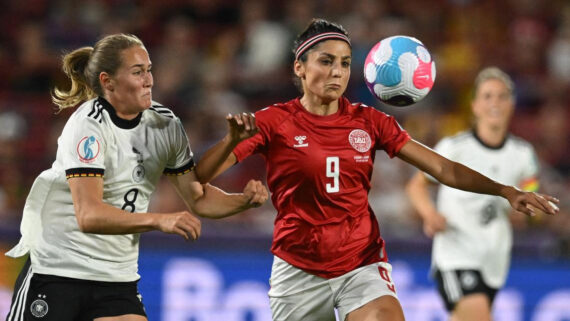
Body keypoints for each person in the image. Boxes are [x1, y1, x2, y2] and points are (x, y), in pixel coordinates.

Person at [195, 19, 558, 321]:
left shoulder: (369, 122)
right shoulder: (273, 121)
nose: (337, 72)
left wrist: (506, 191)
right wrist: (229, 142)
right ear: (299, 68)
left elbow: (442, 168)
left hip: (361, 262)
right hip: (298, 267)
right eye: (325, 61)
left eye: (344, 63)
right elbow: (200, 176)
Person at [4, 33, 268, 321]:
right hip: (57, 271)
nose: (149, 80)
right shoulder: (88, 127)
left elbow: (199, 199)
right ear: (108, 82)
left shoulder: (165, 124)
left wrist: (242, 200)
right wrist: (159, 219)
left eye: (149, 69)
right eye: (137, 72)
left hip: (116, 277)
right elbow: (89, 215)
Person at [405, 67, 543, 320]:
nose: (495, 103)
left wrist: (526, 212)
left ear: (511, 104)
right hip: (456, 254)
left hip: (494, 259)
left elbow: (531, 185)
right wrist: (429, 214)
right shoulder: (454, 148)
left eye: (502, 97)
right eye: (488, 96)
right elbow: (417, 184)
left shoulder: (523, 154)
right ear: (475, 105)